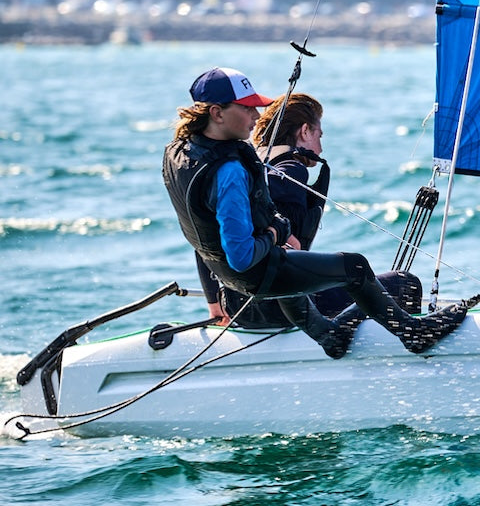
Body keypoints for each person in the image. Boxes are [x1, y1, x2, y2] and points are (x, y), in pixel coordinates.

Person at [164, 67, 464, 358]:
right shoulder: (236, 171)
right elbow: (243, 256)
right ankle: (414, 335)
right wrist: (276, 232)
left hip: (233, 291)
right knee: (358, 268)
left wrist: (214, 302)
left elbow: (203, 233)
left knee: (287, 264)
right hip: (259, 285)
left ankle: (330, 336)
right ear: (217, 113)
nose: (256, 116)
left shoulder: (180, 155)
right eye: (247, 108)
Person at [198, 92, 418, 328]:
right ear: (304, 131)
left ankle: (341, 331)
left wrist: (214, 304)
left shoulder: (246, 169)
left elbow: (205, 239)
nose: (320, 148)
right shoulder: (291, 170)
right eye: (318, 135)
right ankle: (372, 340)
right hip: (282, 308)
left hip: (237, 309)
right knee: (405, 284)